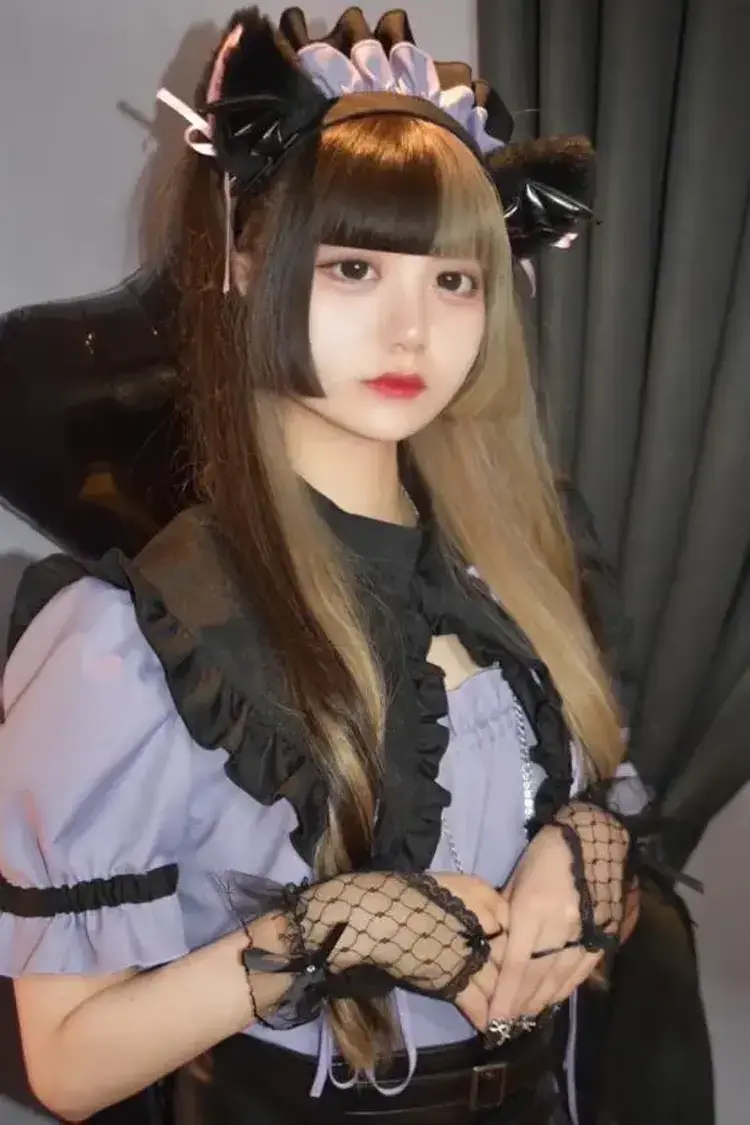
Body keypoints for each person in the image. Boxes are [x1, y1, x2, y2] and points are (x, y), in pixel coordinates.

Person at [0, 8, 643, 1124]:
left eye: (454, 282)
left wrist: (587, 859)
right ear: (247, 264)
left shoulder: (518, 572)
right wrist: (319, 935)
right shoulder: (139, 639)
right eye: (354, 268)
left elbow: (610, 866)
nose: (412, 333)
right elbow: (64, 1064)